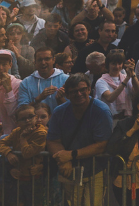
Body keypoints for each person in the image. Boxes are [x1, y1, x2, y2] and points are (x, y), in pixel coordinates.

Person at [47, 73, 113, 206]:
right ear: (67, 93)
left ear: (89, 89)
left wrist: (71, 155)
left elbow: (102, 144)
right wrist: (63, 160)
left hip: (96, 169)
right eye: (73, 91)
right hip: (70, 171)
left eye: (82, 89)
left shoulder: (101, 111)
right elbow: (53, 140)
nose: (79, 94)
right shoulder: (59, 112)